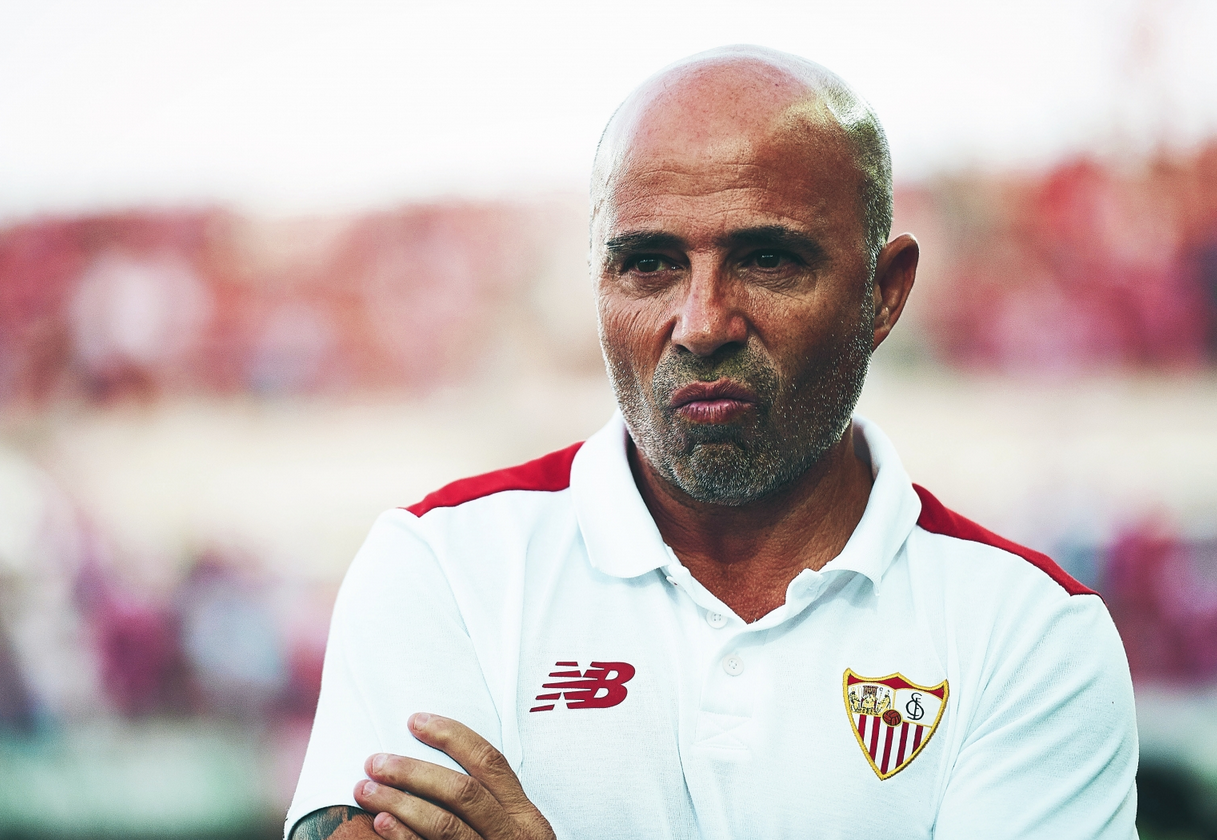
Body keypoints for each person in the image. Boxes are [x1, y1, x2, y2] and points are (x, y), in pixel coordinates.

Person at [286, 46, 1138, 839]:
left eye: (766, 259)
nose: (701, 324)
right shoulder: (445, 568)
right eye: (648, 264)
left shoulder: (1030, 634)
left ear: (883, 292)